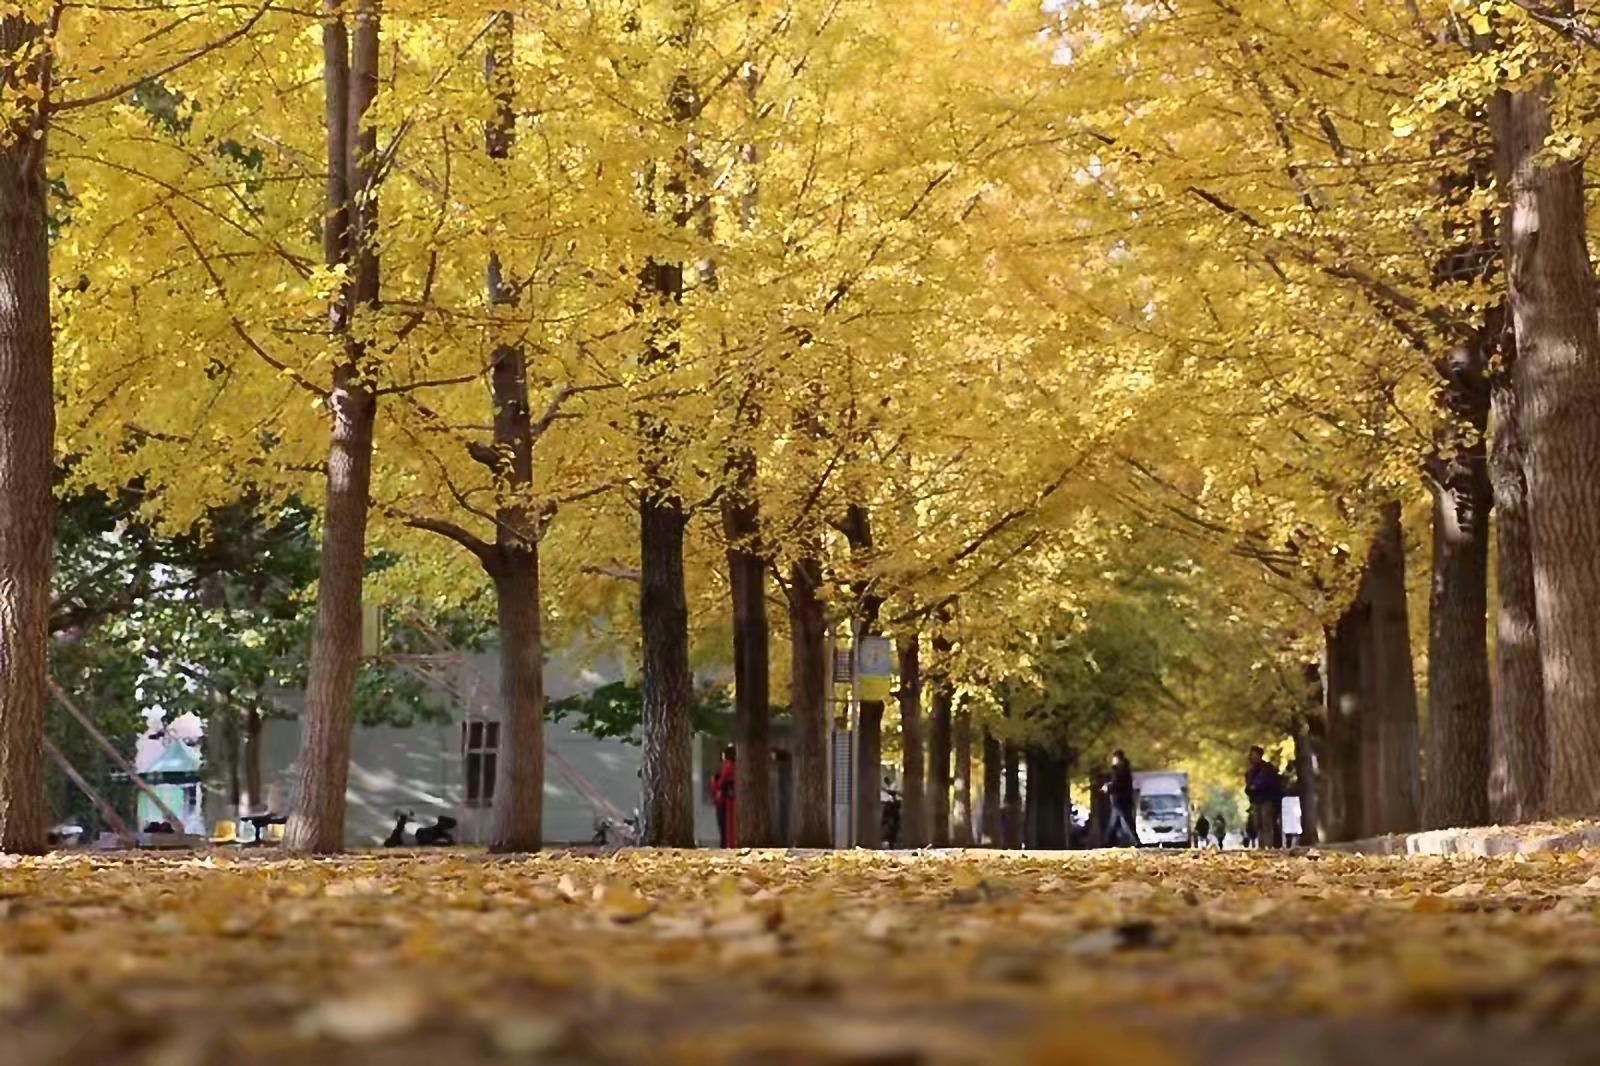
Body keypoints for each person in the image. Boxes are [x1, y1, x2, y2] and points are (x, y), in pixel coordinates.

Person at [1245, 746, 1284, 848]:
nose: (1253, 757)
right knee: (1258, 823)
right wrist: (1250, 790)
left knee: (1266, 822)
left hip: (1267, 799)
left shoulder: (1267, 768)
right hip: (1255, 800)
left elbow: (1268, 783)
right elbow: (1248, 785)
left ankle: (1268, 845)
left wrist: (1256, 786)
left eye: (1255, 755)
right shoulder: (1250, 771)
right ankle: (1261, 845)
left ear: (1260, 755)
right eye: (1252, 755)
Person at [1102, 750, 1140, 847]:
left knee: (1126, 821)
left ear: (1119, 759)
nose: (1113, 761)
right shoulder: (1121, 770)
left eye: (1115, 758)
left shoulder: (1122, 771)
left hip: (1122, 800)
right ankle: (1108, 842)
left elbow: (1119, 785)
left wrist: (1109, 787)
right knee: (1114, 823)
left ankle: (1136, 841)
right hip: (1119, 800)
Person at [711, 746, 737, 847]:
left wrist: (714, 781)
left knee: (723, 825)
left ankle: (724, 844)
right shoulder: (732, 766)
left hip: (723, 800)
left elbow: (720, 783)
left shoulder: (728, 767)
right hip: (726, 799)